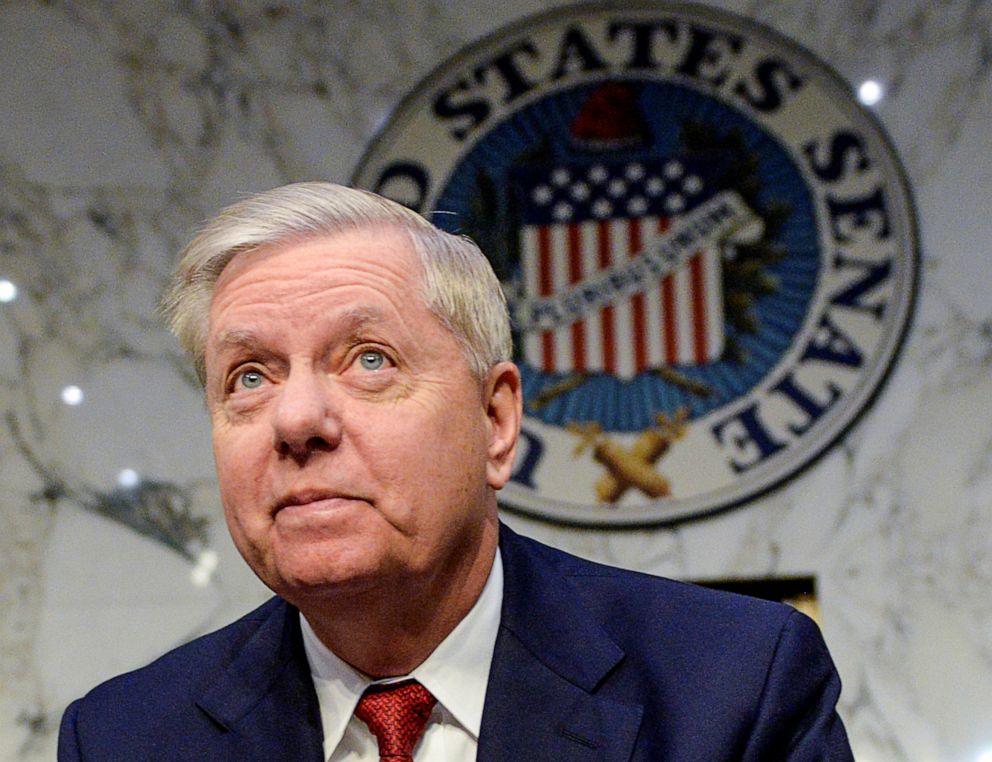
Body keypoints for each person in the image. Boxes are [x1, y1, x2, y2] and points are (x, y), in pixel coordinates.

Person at [58, 182, 854, 761]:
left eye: (369, 360)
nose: (296, 421)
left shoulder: (734, 691)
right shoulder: (124, 738)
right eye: (249, 378)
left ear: (496, 421)